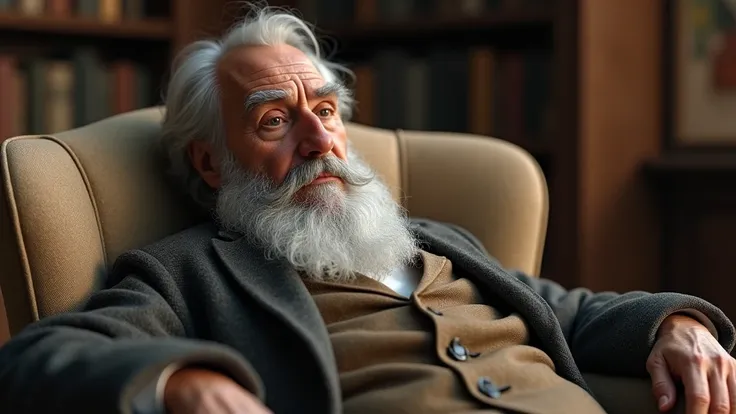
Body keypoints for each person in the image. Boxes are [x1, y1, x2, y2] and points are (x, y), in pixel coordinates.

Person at [1, 6, 735, 414]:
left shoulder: (439, 241)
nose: (320, 138)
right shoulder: (186, 273)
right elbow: (38, 360)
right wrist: (180, 383)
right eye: (274, 120)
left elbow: (572, 311)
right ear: (209, 160)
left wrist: (678, 324)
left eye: (325, 109)